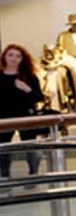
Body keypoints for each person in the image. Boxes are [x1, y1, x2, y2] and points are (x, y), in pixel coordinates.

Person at [0, 44, 46, 179]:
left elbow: (39, 97)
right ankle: (5, 176)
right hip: (4, 117)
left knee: (29, 145)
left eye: (18, 56)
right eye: (10, 55)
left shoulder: (29, 77)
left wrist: (27, 89)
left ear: (22, 59)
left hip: (26, 116)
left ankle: (33, 174)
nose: (14, 59)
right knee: (3, 148)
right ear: (4, 57)